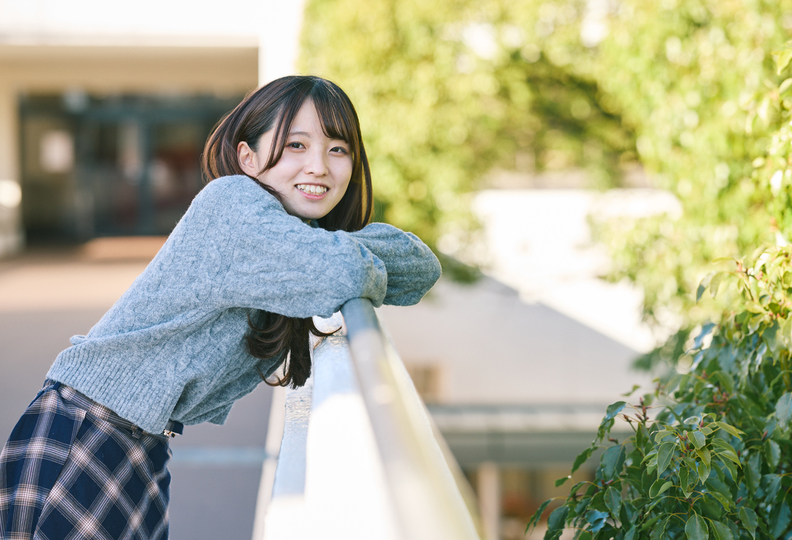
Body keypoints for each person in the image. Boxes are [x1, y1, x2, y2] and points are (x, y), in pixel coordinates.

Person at [0, 75, 442, 540]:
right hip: (88, 431)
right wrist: (348, 256)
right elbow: (345, 276)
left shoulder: (291, 240)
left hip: (137, 442)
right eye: (296, 145)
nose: (319, 166)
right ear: (248, 158)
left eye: (338, 149)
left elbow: (421, 268)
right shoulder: (231, 204)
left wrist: (336, 249)